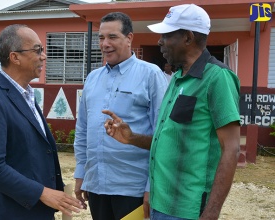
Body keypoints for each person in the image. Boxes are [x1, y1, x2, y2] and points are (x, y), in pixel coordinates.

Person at [103, 4, 240, 220]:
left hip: (189, 210)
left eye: (166, 35)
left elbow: (231, 149)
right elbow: (169, 140)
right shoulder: (176, 78)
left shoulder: (218, 78)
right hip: (160, 204)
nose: (159, 41)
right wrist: (132, 138)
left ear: (187, 37)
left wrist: (212, 212)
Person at [0, 24, 83, 220]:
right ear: (15, 57)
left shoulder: (26, 95)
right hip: (11, 212)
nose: (44, 56)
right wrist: (42, 193)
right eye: (37, 50)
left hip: (35, 210)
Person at [73, 12, 168, 220]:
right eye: (101, 38)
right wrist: (81, 174)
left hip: (132, 189)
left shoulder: (151, 75)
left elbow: (163, 137)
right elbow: (82, 131)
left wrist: (152, 187)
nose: (105, 43)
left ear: (129, 38)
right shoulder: (92, 79)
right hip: (96, 186)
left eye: (112, 37)